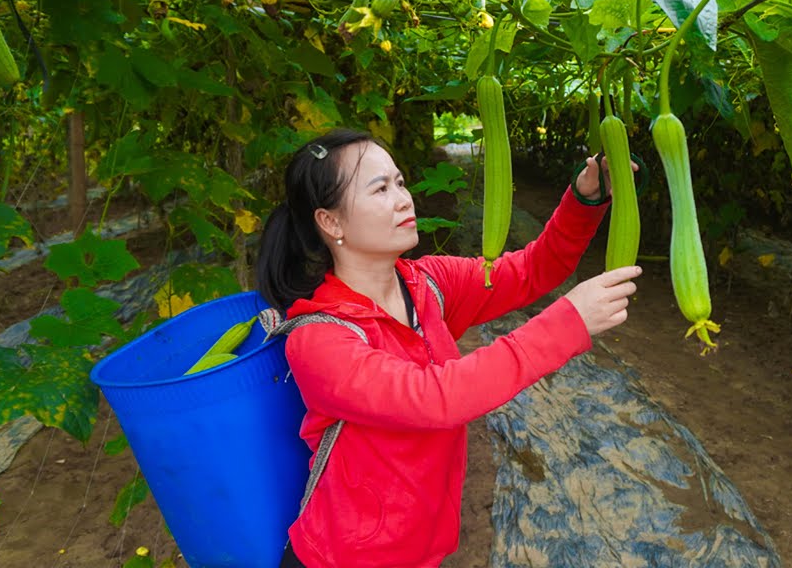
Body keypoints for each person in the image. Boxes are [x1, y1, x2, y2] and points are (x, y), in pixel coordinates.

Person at [255, 127, 641, 568]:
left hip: (423, 550)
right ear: (331, 222)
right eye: (380, 189)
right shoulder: (319, 338)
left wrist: (585, 199)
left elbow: (535, 268)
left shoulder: (428, 284)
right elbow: (437, 398)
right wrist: (567, 322)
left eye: (399, 182)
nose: (403, 199)